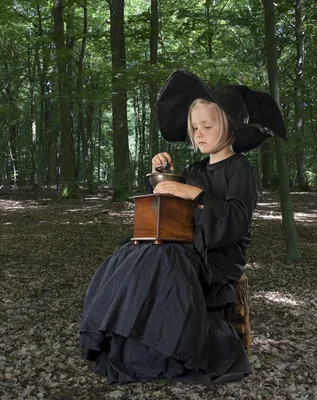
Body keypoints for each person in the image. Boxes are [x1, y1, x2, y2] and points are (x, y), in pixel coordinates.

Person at [79, 70, 287, 384]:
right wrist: (163, 176)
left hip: (217, 253)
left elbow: (237, 222)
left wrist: (197, 194)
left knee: (161, 258)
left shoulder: (239, 169)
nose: (199, 133)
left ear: (229, 126)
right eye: (194, 127)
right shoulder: (193, 169)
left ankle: (169, 350)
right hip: (185, 243)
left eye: (207, 125)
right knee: (132, 253)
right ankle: (128, 343)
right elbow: (171, 212)